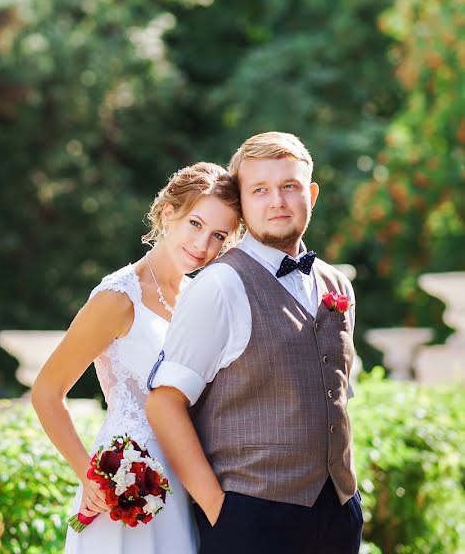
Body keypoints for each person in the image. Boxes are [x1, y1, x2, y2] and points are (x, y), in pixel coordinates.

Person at [146, 132, 362, 554]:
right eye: (259, 190)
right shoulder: (220, 285)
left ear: (311, 194)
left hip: (338, 513)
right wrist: (219, 511)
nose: (277, 201)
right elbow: (163, 404)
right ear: (242, 204)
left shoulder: (337, 284)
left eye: (289, 186)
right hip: (250, 519)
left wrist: (348, 503)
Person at [32, 162, 241, 553]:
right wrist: (88, 475)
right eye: (195, 224)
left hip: (189, 481)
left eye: (218, 235)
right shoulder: (118, 298)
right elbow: (46, 392)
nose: (203, 246)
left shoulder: (203, 297)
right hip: (126, 484)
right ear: (168, 214)